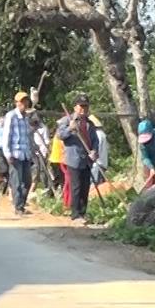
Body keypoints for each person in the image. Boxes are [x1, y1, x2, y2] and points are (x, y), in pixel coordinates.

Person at [56, 95, 100, 223]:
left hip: (87, 159)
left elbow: (95, 140)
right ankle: (75, 214)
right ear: (75, 107)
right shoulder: (67, 120)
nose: (84, 109)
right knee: (76, 187)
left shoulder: (90, 124)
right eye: (81, 106)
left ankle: (83, 212)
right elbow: (60, 135)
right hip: (73, 159)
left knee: (85, 187)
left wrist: (94, 152)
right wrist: (70, 128)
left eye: (86, 106)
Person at [0, 92, 34, 215]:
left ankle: (21, 204)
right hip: (15, 154)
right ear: (16, 103)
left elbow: (28, 137)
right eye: (21, 101)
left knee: (27, 181)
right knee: (16, 181)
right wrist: (8, 154)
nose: (23, 104)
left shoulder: (26, 117)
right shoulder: (11, 116)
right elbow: (6, 136)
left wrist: (31, 152)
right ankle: (18, 207)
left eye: (25, 101)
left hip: (25, 154)